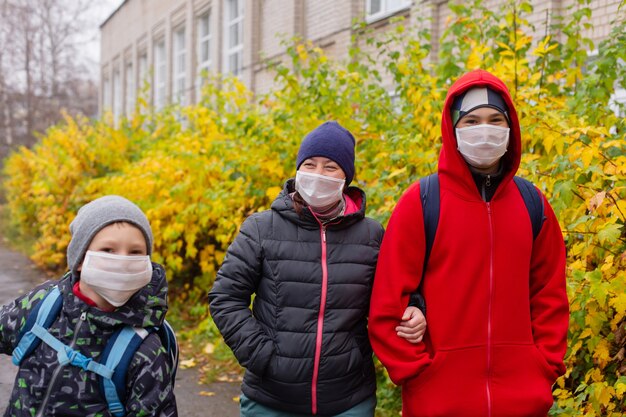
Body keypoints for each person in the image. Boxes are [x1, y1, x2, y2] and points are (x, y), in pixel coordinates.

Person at [368, 70, 569, 417]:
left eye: (495, 119)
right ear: (453, 129)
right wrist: (418, 374)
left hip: (522, 402)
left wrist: (543, 366)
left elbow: (549, 295)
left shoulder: (532, 204)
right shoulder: (422, 201)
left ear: (510, 128)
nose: (484, 130)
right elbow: (387, 305)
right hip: (439, 402)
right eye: (472, 120)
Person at [209, 121, 426, 417]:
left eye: (330, 167)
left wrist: (415, 308)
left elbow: (396, 293)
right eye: (309, 164)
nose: (317, 174)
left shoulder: (372, 235)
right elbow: (225, 297)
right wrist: (260, 354)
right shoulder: (261, 228)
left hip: (348, 399)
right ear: (298, 170)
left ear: (346, 178)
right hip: (270, 399)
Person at [0, 195, 177, 416]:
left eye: (135, 252)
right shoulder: (43, 304)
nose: (122, 261)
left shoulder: (144, 349)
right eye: (108, 250)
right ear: (81, 259)